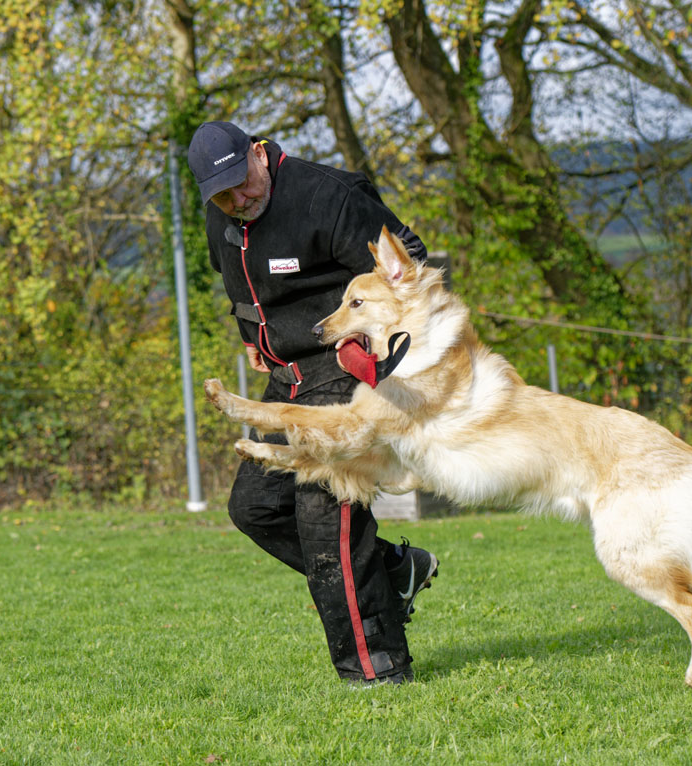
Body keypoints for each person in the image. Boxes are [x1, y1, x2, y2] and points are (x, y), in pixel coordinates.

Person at [186, 120, 439, 685]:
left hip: (345, 371)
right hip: (287, 378)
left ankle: (376, 672)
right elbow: (237, 280)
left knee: (328, 519)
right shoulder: (222, 211)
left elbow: (410, 263)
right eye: (222, 194)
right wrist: (252, 334)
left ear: (259, 154)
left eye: (243, 184)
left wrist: (387, 340)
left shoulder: (329, 196)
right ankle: (396, 571)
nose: (238, 200)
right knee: (255, 508)